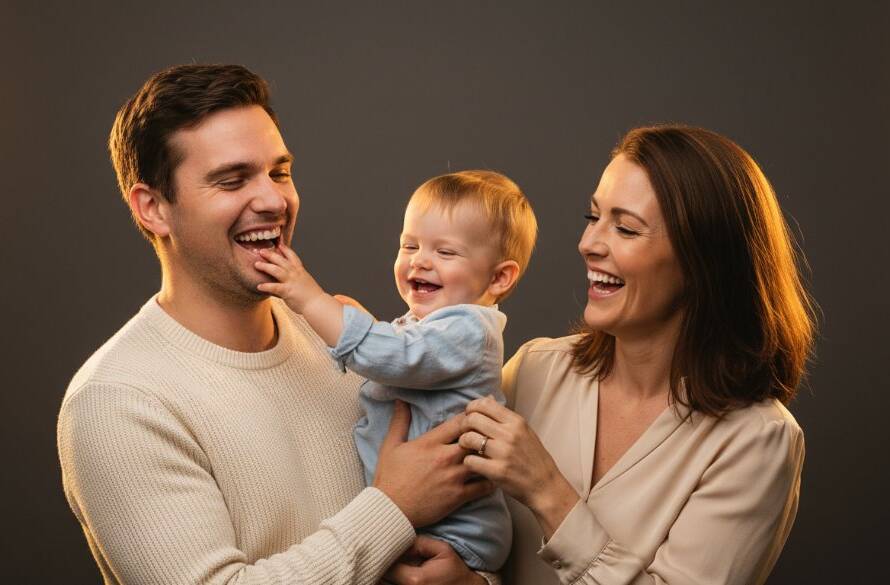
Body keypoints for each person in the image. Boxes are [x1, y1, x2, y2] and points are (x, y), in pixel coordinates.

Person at [56, 64, 495, 585]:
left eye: (279, 172)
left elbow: (451, 529)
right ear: (153, 208)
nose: (273, 201)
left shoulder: (335, 336)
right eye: (232, 180)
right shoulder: (117, 401)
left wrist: (472, 580)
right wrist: (394, 507)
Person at [456, 125, 815, 584]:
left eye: (625, 228)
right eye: (593, 218)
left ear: (702, 262)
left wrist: (548, 491)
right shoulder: (535, 369)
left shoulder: (758, 441)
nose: (589, 244)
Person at [252, 170, 538, 572]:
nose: (420, 260)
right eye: (410, 245)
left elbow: (398, 358)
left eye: (446, 252)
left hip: (457, 532)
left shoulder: (471, 330)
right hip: (411, 517)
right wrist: (371, 327)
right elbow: (405, 359)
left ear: (499, 277)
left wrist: (310, 299)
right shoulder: (428, 326)